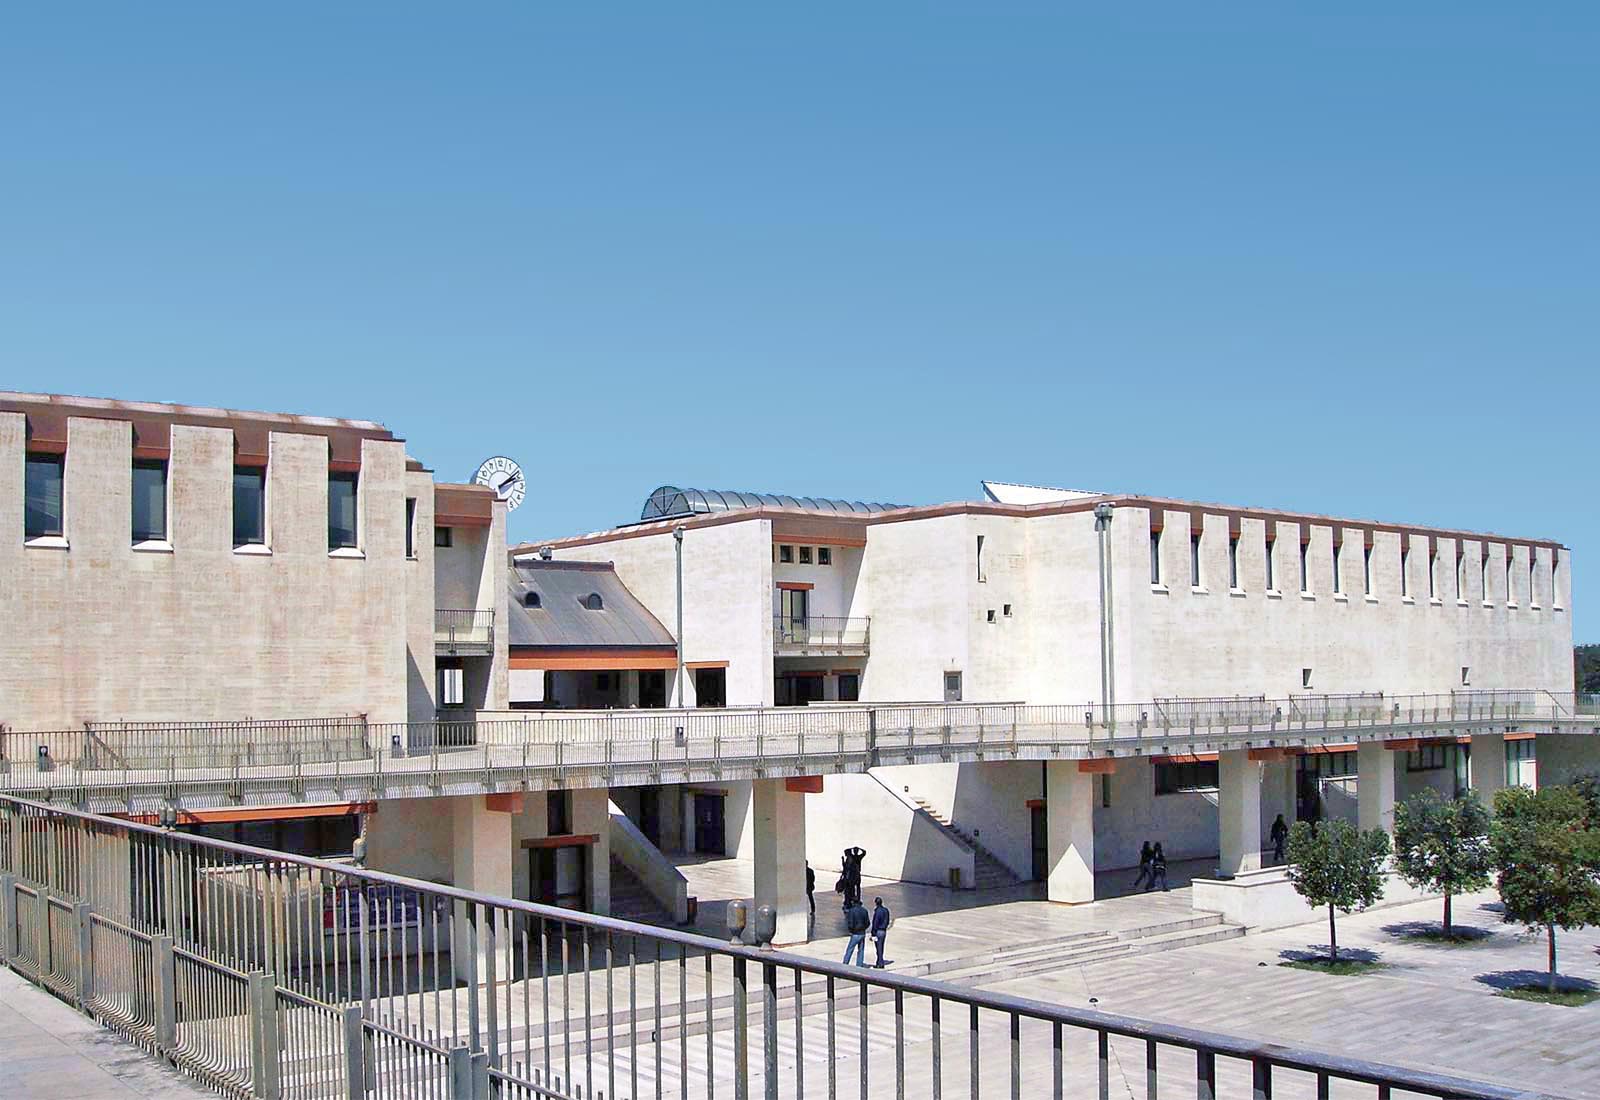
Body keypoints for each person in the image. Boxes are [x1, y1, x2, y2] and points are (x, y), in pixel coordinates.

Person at [842, 899, 870, 966]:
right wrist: (863, 928)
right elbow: (868, 923)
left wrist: (851, 931)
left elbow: (850, 923)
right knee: (861, 950)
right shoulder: (864, 911)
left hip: (855, 933)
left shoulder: (852, 911)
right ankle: (859, 964)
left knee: (850, 949)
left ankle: (845, 964)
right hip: (862, 933)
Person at [870, 896, 893, 968]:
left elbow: (875, 923)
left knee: (878, 948)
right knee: (881, 947)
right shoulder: (886, 910)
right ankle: (879, 961)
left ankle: (880, 963)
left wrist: (873, 933)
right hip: (883, 931)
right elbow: (888, 920)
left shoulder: (878, 912)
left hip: (878, 931)